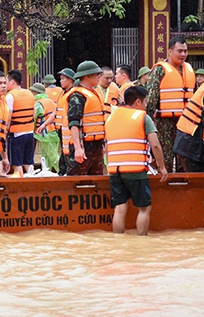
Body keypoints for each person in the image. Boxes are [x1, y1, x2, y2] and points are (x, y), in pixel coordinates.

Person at [106, 86, 168, 235]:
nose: (146, 105)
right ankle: (142, 242)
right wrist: (162, 167)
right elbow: (155, 145)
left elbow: (107, 147)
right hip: (135, 170)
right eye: (145, 102)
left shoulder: (111, 118)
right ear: (138, 102)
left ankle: (118, 240)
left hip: (115, 169)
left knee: (120, 209)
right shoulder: (142, 117)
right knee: (144, 208)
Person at [146, 36, 196, 173]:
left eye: (185, 51)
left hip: (185, 122)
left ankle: (183, 190)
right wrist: (147, 122)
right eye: (179, 51)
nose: (183, 54)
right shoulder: (159, 70)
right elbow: (150, 99)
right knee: (166, 157)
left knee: (184, 158)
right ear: (169, 51)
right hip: (164, 122)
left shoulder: (189, 70)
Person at [67, 60, 105, 176]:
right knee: (76, 180)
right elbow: (74, 123)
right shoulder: (77, 96)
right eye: (96, 74)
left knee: (96, 181)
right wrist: (78, 148)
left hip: (96, 145)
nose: (99, 77)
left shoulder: (93, 93)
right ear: (87, 76)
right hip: (84, 145)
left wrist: (102, 145)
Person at [6, 70, 36, 175]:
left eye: (6, 81)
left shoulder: (10, 96)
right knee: (28, 163)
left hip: (16, 134)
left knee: (17, 164)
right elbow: (34, 113)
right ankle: (33, 183)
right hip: (29, 132)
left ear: (12, 82)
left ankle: (20, 186)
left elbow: (8, 117)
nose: (5, 84)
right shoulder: (29, 93)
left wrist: (4, 132)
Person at [30, 82, 59, 172]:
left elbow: (33, 119)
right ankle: (47, 172)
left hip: (45, 133)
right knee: (46, 155)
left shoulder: (38, 103)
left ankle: (63, 171)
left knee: (52, 155)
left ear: (35, 92)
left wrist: (31, 131)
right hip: (54, 131)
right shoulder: (50, 101)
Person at [55, 68, 74, 175]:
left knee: (68, 154)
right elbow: (56, 110)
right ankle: (63, 172)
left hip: (69, 130)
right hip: (61, 129)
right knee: (64, 153)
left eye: (63, 79)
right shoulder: (62, 93)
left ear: (70, 80)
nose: (61, 81)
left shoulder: (73, 94)